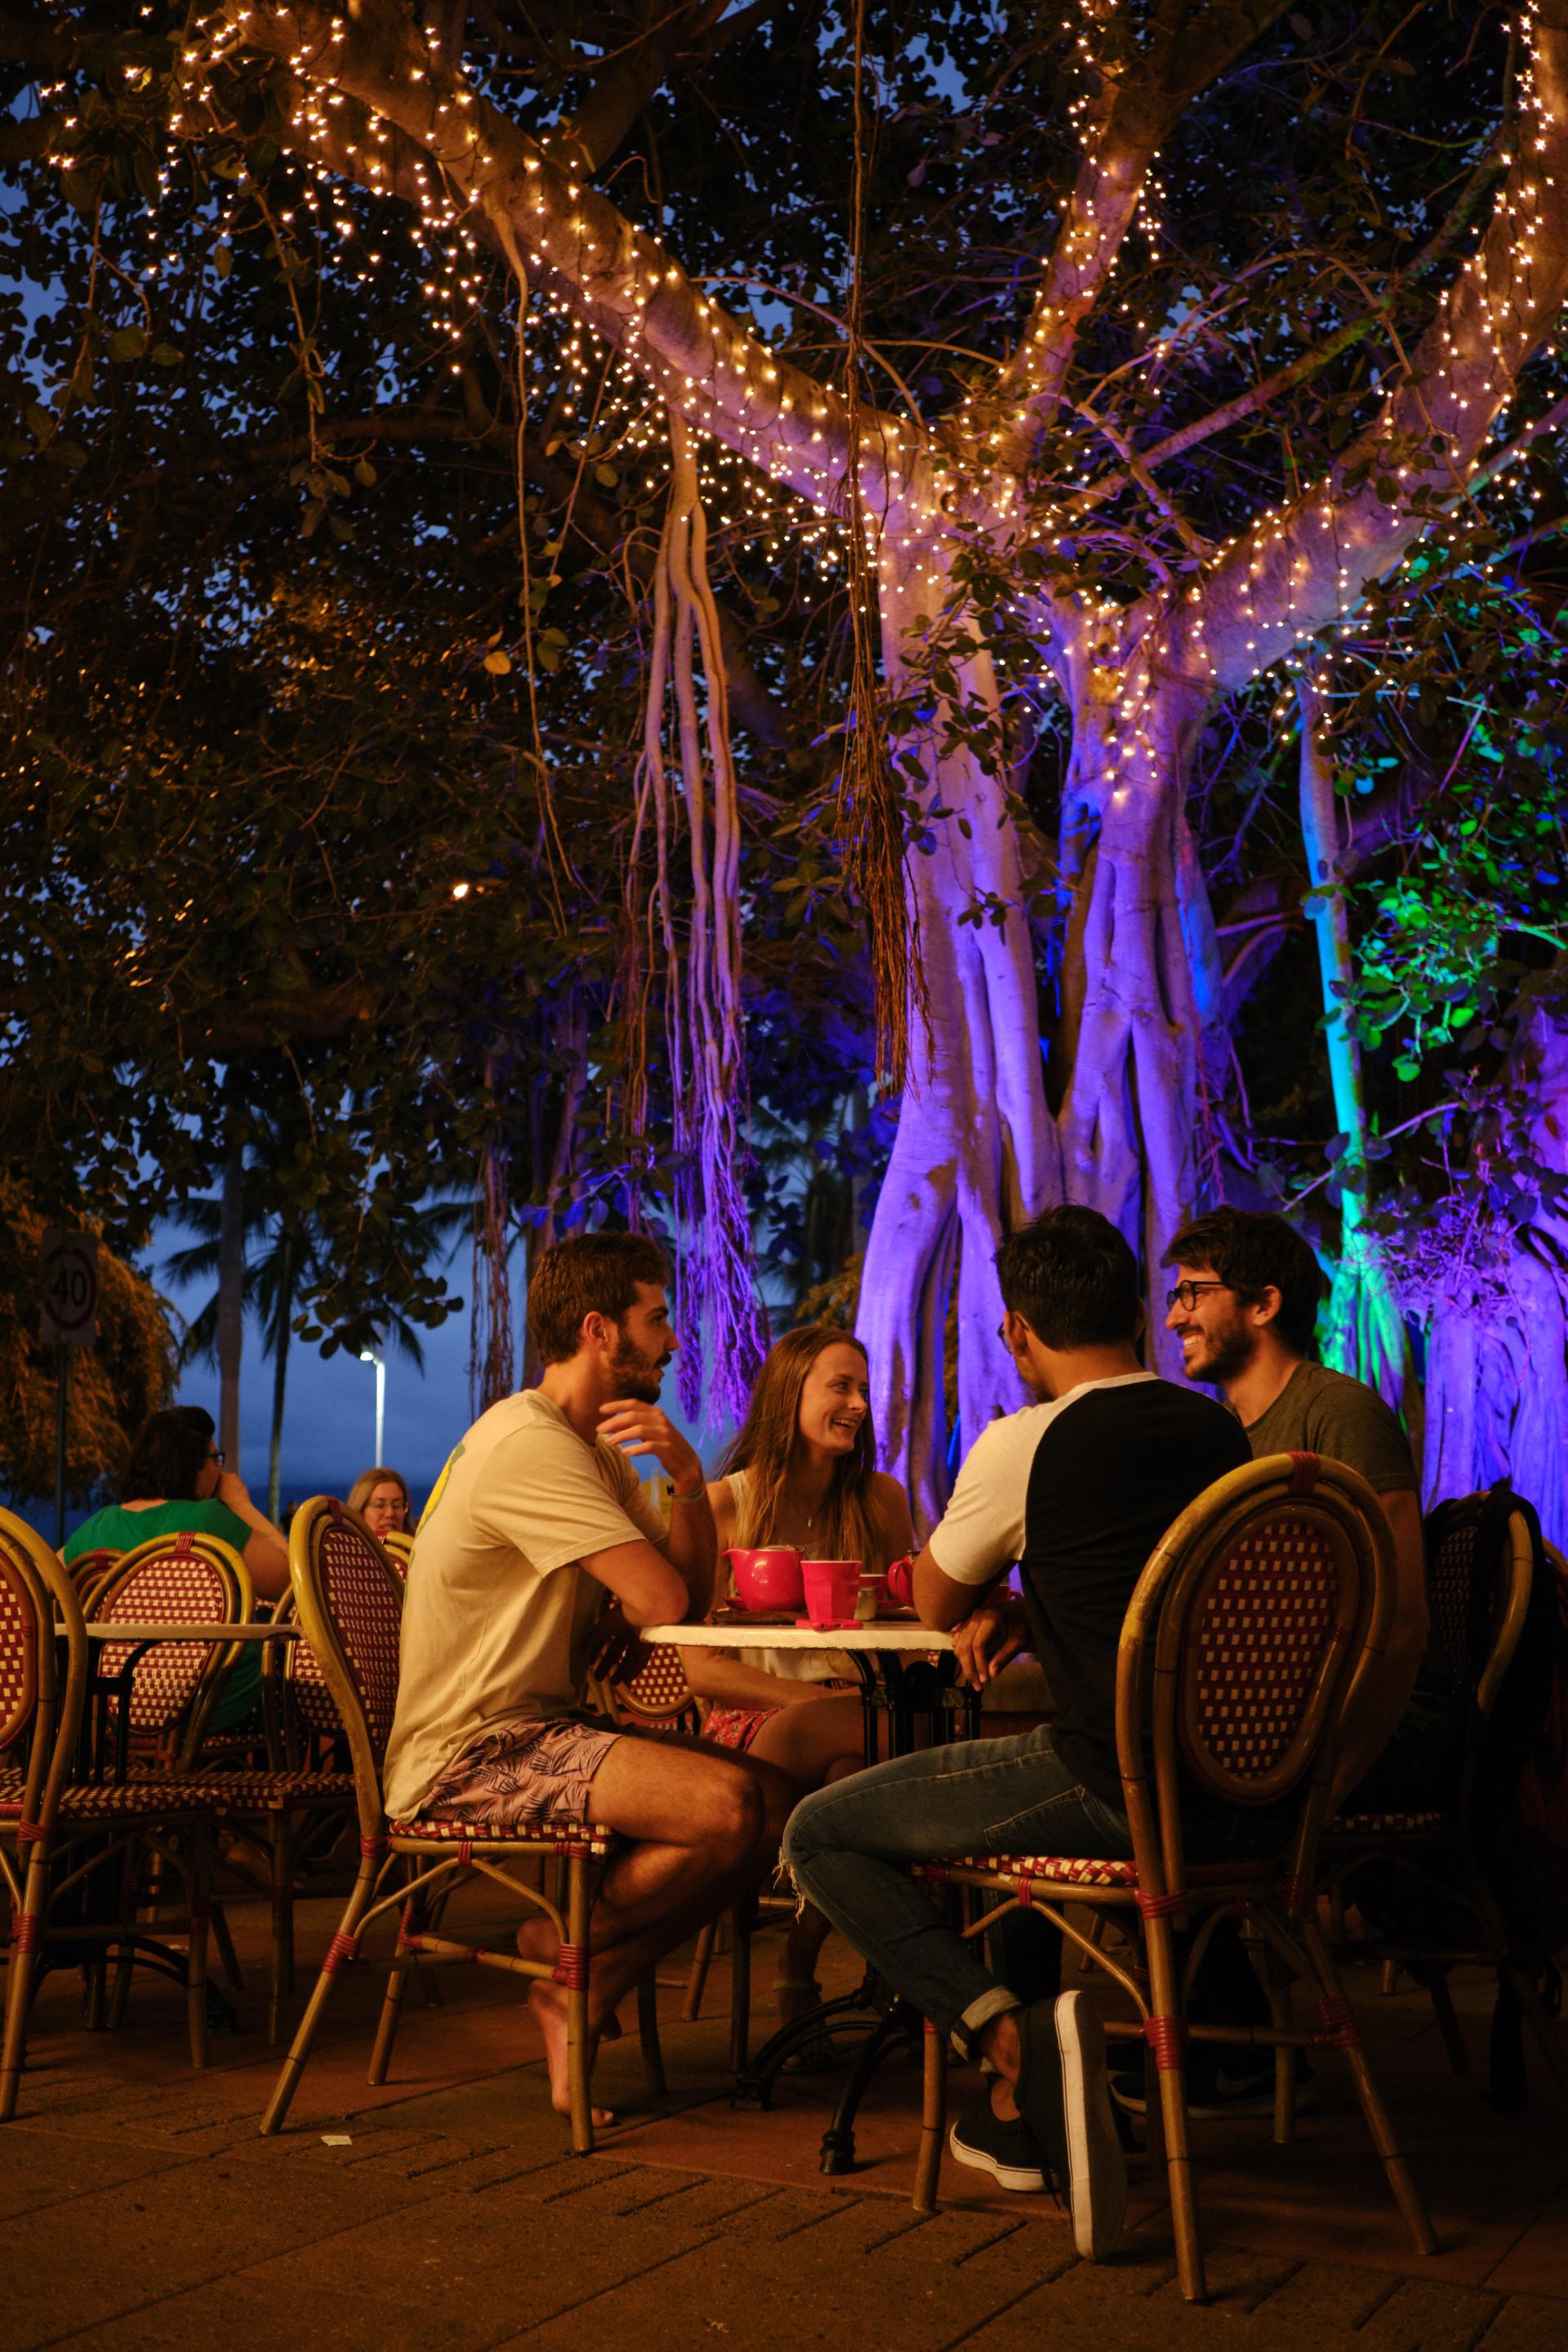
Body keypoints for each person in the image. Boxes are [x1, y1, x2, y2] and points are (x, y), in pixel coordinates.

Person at [784, 1206, 1253, 2258]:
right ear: (1137, 1312)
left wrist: (997, 1589)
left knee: (821, 1831)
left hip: (1109, 1781)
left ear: (1017, 1334)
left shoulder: (1024, 1442)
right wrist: (1038, 1607)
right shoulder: (1221, 1435)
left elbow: (940, 1600)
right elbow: (1162, 1585)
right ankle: (1032, 2051)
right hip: (1241, 1792)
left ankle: (1012, 2041)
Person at [381, 1231, 796, 2127]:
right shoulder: (529, 1443)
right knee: (726, 1809)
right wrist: (647, 1587)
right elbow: (659, 1600)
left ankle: (580, 1974)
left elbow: (686, 1593)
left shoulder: (592, 1451)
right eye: (657, 1321)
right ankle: (567, 1950)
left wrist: (688, 1479)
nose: (673, 1342)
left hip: (543, 1729)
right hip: (468, 1752)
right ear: (600, 1330)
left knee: (779, 1803)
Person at [1161, 1205, 1453, 1815]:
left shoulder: (1338, 1413)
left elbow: (1402, 1620)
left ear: (1264, 1305)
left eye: (1193, 1292)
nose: (1173, 1316)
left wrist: (1327, 1787)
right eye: (1174, 1294)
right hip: (1273, 1738)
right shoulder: (1221, 1437)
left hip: (1364, 1739)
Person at [690, 1325, 914, 2029]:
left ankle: (799, 1959)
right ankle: (888, 1968)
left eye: (863, 1390)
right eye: (840, 1387)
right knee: (893, 1745)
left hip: (854, 1722)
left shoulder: (880, 1501)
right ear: (790, 1394)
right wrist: (808, 1699)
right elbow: (699, 1666)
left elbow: (909, 1630)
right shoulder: (727, 1503)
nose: (857, 1404)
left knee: (855, 1770)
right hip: (756, 1723)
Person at [64, 1404, 292, 1731]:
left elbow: (39, 1577)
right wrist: (241, 1504)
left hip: (116, 1711)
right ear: (194, 1466)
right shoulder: (209, 1520)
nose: (220, 1469)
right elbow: (290, 1581)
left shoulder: (98, 1529)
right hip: (211, 1710)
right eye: (215, 1459)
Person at [347, 1466, 412, 1541]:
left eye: (397, 1505)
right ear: (360, 1512)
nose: (390, 1514)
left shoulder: (419, 1551)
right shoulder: (345, 1551)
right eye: (380, 1505)